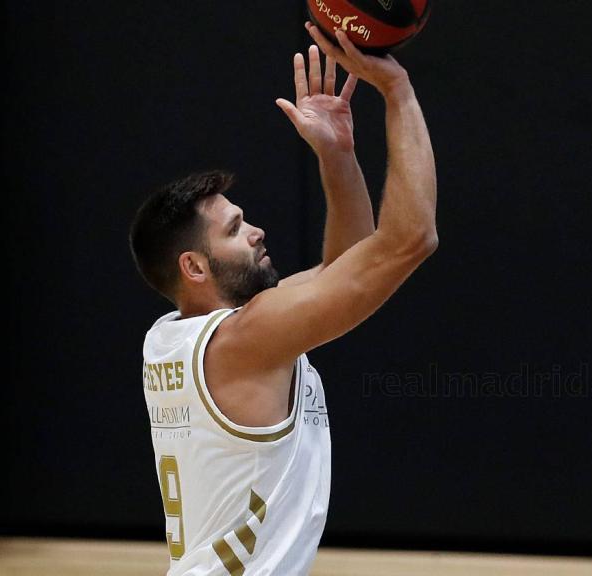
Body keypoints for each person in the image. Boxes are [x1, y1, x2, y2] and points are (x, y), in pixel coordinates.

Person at [129, 26, 437, 574]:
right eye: (235, 229)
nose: (256, 232)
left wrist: (338, 157)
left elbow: (345, 267)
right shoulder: (249, 338)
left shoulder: (175, 335)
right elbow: (409, 240)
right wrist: (399, 92)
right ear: (194, 266)